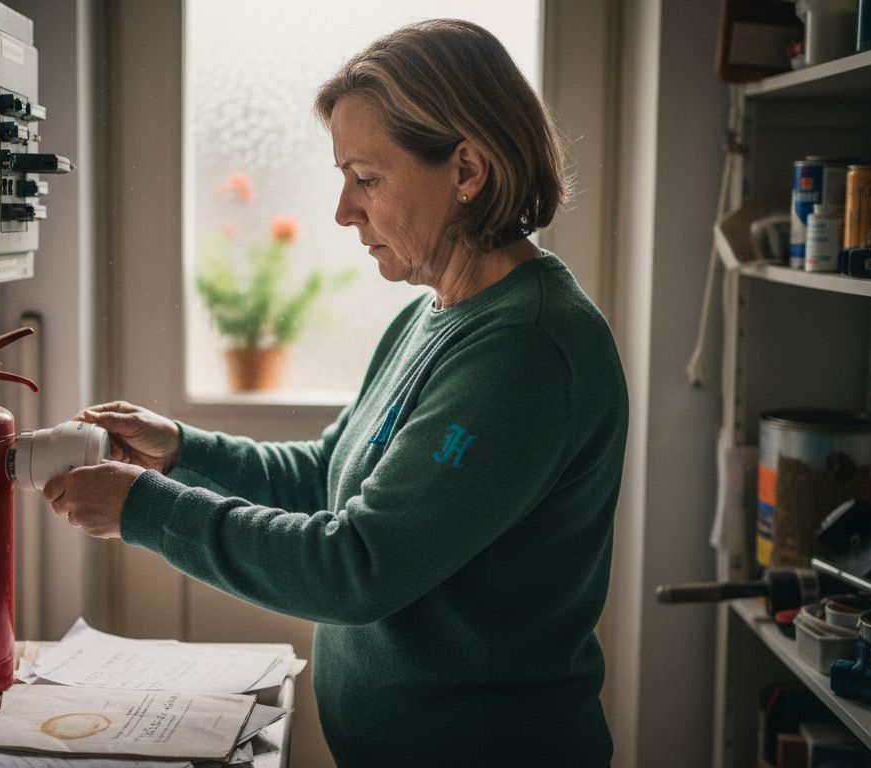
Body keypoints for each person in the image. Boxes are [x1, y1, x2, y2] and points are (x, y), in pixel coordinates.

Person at [44, 18, 628, 767]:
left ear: (467, 171)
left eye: (366, 178)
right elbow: (329, 475)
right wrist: (181, 453)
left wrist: (146, 510)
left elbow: (358, 566)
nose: (344, 210)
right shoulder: (434, 313)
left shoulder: (527, 351)